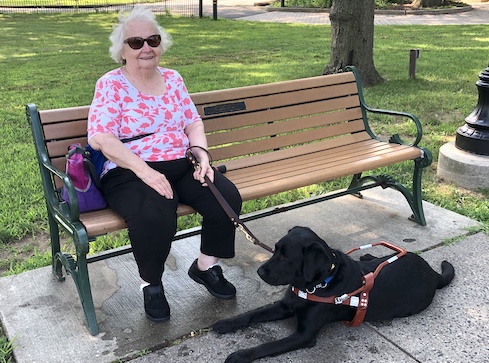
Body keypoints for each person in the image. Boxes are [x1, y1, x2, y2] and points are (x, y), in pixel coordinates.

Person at [87, 5, 242, 323]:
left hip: (181, 163)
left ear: (161, 45)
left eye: (153, 40)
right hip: (129, 169)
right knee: (154, 213)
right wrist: (145, 171)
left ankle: (205, 267)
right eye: (136, 42)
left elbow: (193, 123)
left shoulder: (173, 79)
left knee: (225, 198)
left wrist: (201, 156)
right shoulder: (110, 84)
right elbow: (102, 138)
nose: (146, 47)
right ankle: (152, 284)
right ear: (122, 50)